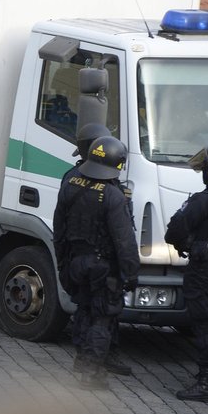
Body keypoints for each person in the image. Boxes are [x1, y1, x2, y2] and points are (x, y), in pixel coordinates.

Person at [53, 136, 139, 390]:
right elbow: (124, 240)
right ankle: (91, 374)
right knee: (102, 318)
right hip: (105, 268)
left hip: (77, 262)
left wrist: (63, 264)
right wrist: (131, 273)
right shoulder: (113, 195)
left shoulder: (71, 183)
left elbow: (59, 229)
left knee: (83, 311)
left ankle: (81, 361)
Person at [165, 145, 208, 402]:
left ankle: (206, 382)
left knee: (205, 325)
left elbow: (174, 231)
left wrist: (190, 245)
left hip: (206, 271)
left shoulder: (204, 200)